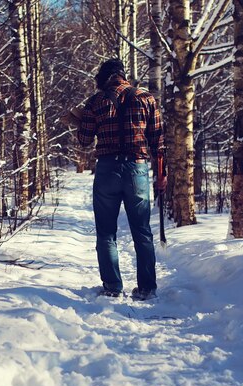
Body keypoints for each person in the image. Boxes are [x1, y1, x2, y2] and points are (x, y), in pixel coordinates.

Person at [72, 58, 167, 301]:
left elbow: (84, 141)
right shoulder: (146, 98)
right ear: (123, 75)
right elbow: (158, 141)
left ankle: (113, 286)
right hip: (137, 168)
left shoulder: (96, 102)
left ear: (103, 78)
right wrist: (162, 174)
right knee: (142, 231)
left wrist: (80, 120)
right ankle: (147, 288)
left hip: (106, 170)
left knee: (106, 232)